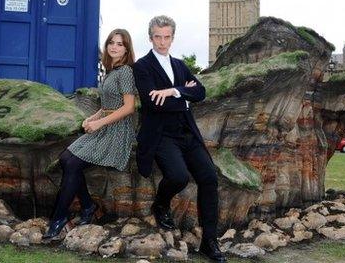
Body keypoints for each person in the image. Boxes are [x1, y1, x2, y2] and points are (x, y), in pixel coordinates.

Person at [132, 15, 226, 263]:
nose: (162, 42)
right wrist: (185, 97)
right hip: (161, 135)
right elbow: (152, 103)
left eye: (167, 37)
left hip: (187, 133)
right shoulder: (142, 67)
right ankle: (160, 204)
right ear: (150, 37)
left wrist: (174, 91)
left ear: (173, 37)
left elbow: (201, 92)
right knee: (178, 176)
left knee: (209, 177)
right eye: (158, 37)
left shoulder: (181, 65)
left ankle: (209, 241)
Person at [43, 29, 138, 240]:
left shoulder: (125, 72)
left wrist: (100, 123)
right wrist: (92, 118)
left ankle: (59, 217)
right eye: (111, 43)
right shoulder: (111, 71)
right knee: (66, 158)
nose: (114, 47)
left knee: (73, 163)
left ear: (127, 48)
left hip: (117, 132)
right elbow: (107, 106)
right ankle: (87, 206)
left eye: (120, 44)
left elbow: (129, 107)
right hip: (104, 125)